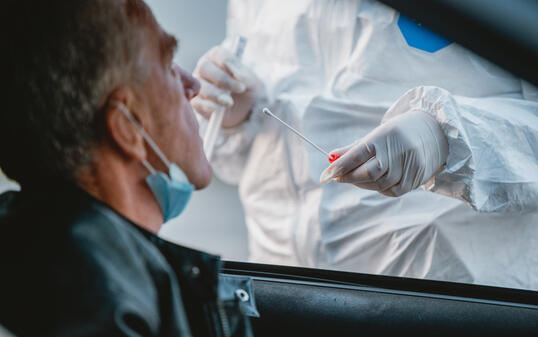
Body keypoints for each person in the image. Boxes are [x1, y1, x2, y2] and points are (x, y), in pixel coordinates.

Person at [193, 0, 538, 289]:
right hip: (278, 289)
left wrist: (446, 138)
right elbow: (234, 164)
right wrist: (237, 115)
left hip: (444, 297)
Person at [0, 1, 257, 336]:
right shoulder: (104, 307)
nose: (192, 85)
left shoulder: (40, 261)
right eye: (167, 64)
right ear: (127, 128)